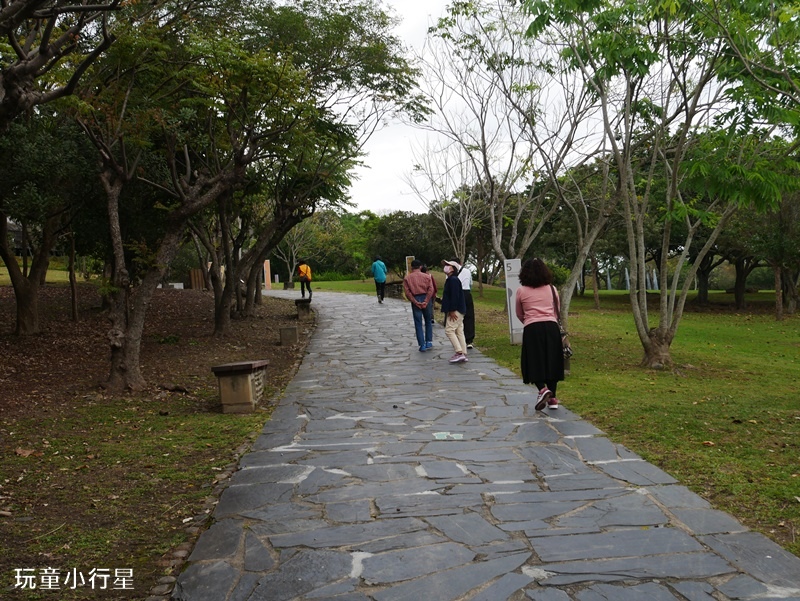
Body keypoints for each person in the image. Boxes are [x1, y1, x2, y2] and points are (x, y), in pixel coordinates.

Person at [514, 258, 564, 410]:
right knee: (552, 360)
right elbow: (557, 311)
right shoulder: (552, 289)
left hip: (532, 328)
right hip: (551, 327)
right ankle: (553, 398)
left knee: (534, 360)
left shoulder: (521, 291)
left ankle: (542, 389)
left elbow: (519, 313)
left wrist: (529, 321)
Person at [402, 260, 435, 352]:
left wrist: (415, 302)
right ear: (420, 267)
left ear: (412, 267)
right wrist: (426, 301)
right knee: (428, 320)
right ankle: (429, 341)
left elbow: (407, 292)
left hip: (415, 298)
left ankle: (422, 344)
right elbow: (431, 289)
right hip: (425, 297)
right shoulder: (427, 276)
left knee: (418, 322)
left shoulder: (407, 278)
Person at [441, 259, 468, 363]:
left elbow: (454, 296)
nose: (446, 266)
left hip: (456, 310)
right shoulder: (452, 279)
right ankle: (463, 352)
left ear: (454, 268)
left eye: (449, 265)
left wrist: (452, 310)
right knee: (459, 331)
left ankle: (459, 352)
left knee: (449, 330)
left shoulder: (453, 280)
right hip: (460, 309)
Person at [453, 258, 475, 349]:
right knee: (469, 316)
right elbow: (470, 283)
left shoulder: (451, 273)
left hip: (456, 294)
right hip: (466, 293)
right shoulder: (467, 271)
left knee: (457, 316)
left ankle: (458, 339)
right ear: (461, 263)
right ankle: (469, 340)